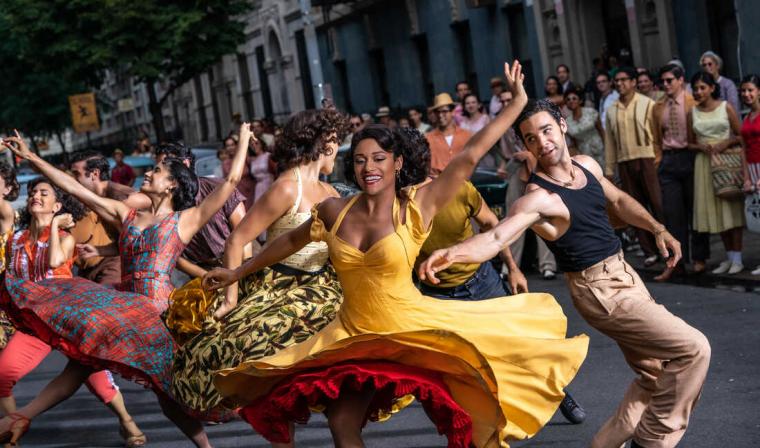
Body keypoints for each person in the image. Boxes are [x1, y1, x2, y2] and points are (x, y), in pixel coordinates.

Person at [203, 61, 588, 447]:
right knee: (341, 422)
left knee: (470, 411)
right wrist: (237, 273)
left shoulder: (416, 205)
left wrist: (515, 103)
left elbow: (469, 156)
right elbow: (288, 241)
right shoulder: (334, 211)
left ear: (396, 163)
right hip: (355, 335)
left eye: (378, 159)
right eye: (359, 160)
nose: (368, 167)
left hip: (411, 330)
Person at [420, 98, 711, 448]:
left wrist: (657, 227)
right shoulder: (539, 198)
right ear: (525, 146)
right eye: (530, 138)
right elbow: (498, 236)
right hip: (601, 292)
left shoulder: (586, 165)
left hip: (624, 275)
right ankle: (651, 441)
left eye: (545, 130)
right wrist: (453, 252)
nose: (542, 142)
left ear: (561, 125)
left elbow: (618, 201)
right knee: (693, 349)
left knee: (654, 376)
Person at [0, 124, 252, 446]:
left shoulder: (185, 220)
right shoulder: (126, 214)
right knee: (81, 362)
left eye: (156, 171)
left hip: (158, 315)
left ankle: (209, 441)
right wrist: (31, 156)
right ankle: (23, 415)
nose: (147, 174)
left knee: (170, 398)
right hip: (123, 307)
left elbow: (230, 182)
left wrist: (243, 139)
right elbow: (79, 191)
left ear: (172, 184)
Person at [169, 108, 348, 419]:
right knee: (232, 350)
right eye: (337, 140)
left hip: (321, 288)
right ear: (327, 143)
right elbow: (237, 241)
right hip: (278, 287)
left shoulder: (331, 191)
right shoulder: (287, 187)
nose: (338, 149)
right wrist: (230, 300)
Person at [0, 177, 145, 447]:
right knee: (2, 374)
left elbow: (55, 260)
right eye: (33, 192)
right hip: (32, 323)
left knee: (95, 378)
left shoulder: (66, 238)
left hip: (65, 319)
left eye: (44, 193)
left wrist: (54, 226)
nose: (36, 196)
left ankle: (127, 420)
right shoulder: (17, 239)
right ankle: (13, 427)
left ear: (57, 206)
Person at [651, 64, 710, 280]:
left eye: (669, 80)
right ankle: (676, 263)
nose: (665, 85)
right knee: (673, 215)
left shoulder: (692, 102)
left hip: (691, 157)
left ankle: (700, 258)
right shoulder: (658, 107)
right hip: (669, 161)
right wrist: (659, 160)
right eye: (663, 81)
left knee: (697, 211)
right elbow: (656, 138)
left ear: (680, 80)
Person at [155, 143, 248, 277]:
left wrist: (242, 274)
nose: (159, 173)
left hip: (241, 262)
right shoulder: (164, 206)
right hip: (202, 275)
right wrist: (206, 277)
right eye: (157, 169)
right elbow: (173, 255)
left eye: (166, 165)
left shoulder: (214, 187)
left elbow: (244, 234)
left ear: (185, 164)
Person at [604, 66, 664, 268]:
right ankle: (649, 250)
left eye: (624, 80)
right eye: (617, 81)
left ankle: (665, 245)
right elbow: (610, 142)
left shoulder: (647, 103)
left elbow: (657, 134)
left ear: (633, 82)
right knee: (634, 207)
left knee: (657, 204)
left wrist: (658, 156)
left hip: (647, 158)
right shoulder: (612, 110)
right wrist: (609, 169)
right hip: (624, 161)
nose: (620, 84)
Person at [689, 72, 746, 274]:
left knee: (731, 209)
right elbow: (689, 142)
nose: (699, 92)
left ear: (712, 88)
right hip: (704, 163)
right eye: (695, 88)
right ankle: (729, 257)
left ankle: (738, 257)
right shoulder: (693, 111)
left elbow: (741, 135)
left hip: (726, 161)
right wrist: (699, 147)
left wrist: (726, 142)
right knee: (716, 212)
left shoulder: (726, 107)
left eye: (703, 87)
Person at [67, 151, 151, 287]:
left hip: (119, 265)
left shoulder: (124, 197)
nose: (73, 180)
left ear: (94, 174)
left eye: (77, 174)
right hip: (94, 264)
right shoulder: (88, 198)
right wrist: (98, 250)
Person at [740, 74, 760, 275]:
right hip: (753, 169)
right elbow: (743, 149)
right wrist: (746, 176)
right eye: (744, 90)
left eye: (750, 90)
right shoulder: (746, 117)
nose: (746, 94)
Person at [425, 93, 472, 175]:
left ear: (453, 112)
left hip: (465, 183)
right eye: (437, 112)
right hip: (438, 184)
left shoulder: (466, 135)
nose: (440, 115)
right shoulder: (428, 138)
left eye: (444, 111)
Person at [564, 87, 605, 166]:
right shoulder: (567, 122)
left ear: (580, 100)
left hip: (600, 150)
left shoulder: (591, 112)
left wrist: (608, 149)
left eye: (574, 98)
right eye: (568, 99)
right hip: (585, 155)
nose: (571, 101)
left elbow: (601, 131)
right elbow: (573, 142)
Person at [222, 134, 257, 209]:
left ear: (236, 145)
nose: (230, 148)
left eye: (232, 145)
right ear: (225, 148)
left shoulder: (245, 159)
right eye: (227, 146)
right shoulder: (225, 164)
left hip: (252, 194)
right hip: (237, 199)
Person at [248, 136, 275, 207]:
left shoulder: (268, 156)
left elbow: (275, 171)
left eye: (256, 143)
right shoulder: (252, 160)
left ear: (261, 144)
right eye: (252, 145)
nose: (254, 146)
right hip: (258, 187)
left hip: (269, 184)